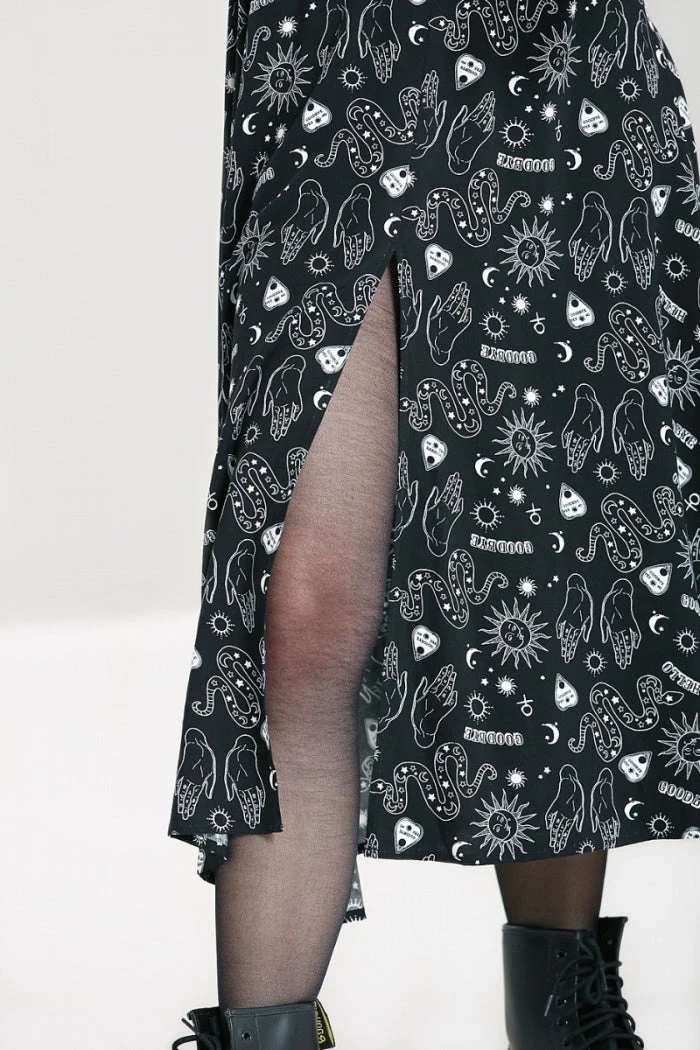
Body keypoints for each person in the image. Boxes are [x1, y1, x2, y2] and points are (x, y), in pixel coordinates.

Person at [168, 1, 700, 1047]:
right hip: (342, 59)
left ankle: (566, 1021)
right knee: (307, 604)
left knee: (543, 572)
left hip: (561, 68)